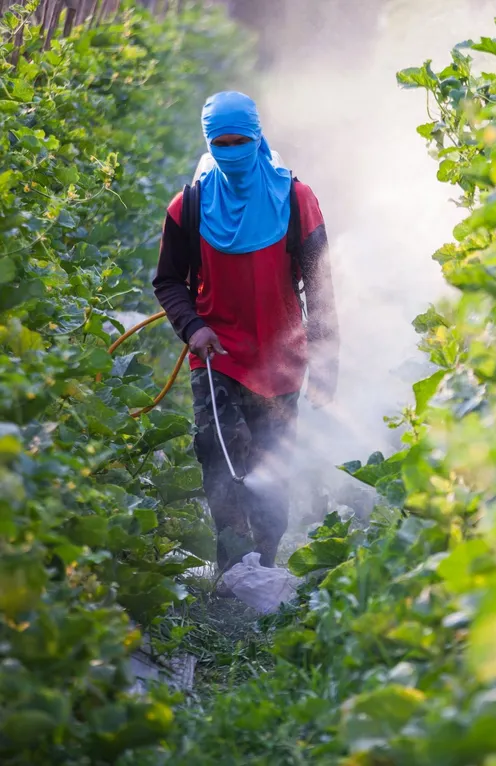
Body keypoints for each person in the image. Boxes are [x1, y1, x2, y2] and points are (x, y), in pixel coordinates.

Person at [153, 91, 338, 571]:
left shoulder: (297, 201)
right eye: (221, 143)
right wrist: (192, 327)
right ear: (208, 143)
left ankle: (267, 564)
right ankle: (233, 567)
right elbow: (168, 280)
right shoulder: (188, 207)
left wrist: (325, 363)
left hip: (281, 360)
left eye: (240, 141)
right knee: (220, 457)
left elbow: (320, 288)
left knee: (271, 467)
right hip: (216, 355)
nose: (232, 151)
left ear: (258, 138)